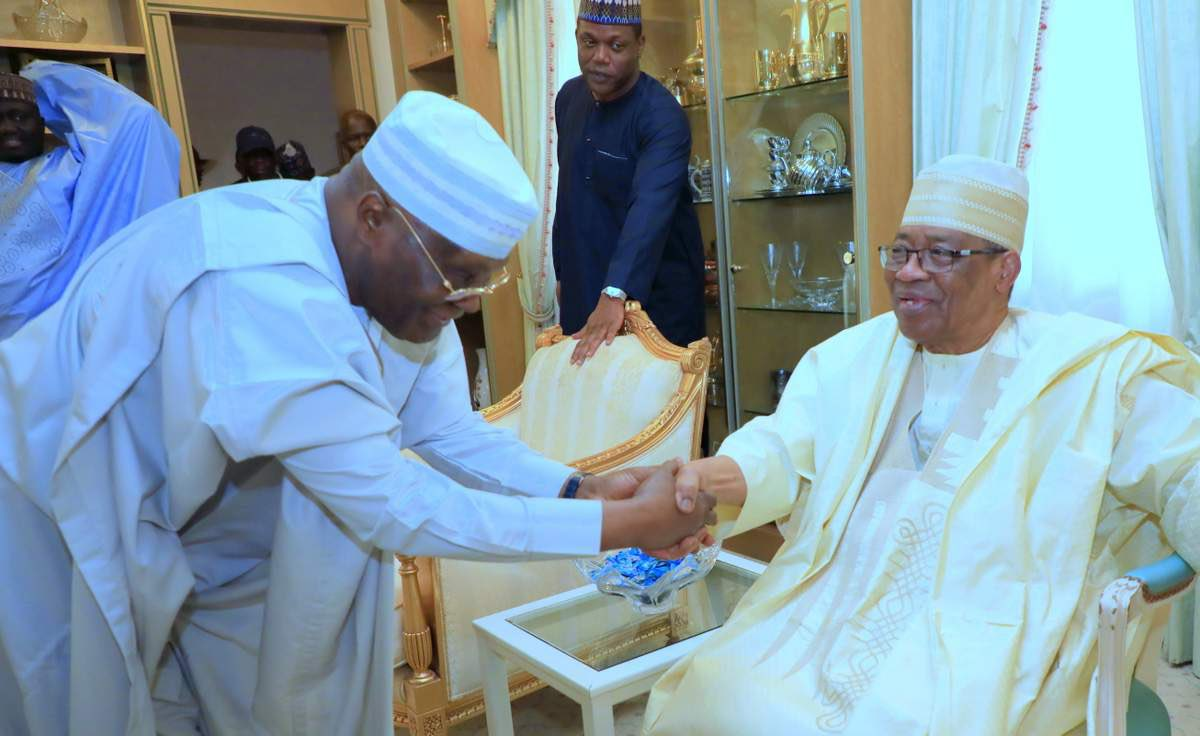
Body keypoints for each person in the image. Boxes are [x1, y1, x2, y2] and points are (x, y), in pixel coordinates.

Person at [0, 91, 715, 735]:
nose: (467, 302)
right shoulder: (266, 286)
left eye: (483, 281)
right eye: (461, 277)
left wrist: (575, 488)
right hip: (58, 512)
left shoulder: (397, 279)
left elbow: (445, 429)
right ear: (375, 217)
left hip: (207, 532)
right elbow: (396, 504)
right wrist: (624, 524)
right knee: (84, 705)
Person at [643, 155, 1200, 735]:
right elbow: (784, 448)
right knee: (716, 684)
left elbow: (1185, 468)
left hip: (980, 632)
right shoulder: (856, 355)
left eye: (941, 254)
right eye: (901, 251)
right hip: (834, 597)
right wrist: (709, 479)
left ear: (1004, 270)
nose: (909, 272)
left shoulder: (1089, 372)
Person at [553, 0, 705, 364]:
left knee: (658, 415)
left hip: (654, 301)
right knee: (589, 410)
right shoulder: (568, 99)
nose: (600, 57)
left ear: (640, 44)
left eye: (616, 46)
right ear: (576, 38)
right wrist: (564, 273)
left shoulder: (661, 117)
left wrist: (615, 293)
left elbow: (649, 209)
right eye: (589, 42)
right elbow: (568, 195)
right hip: (589, 287)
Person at [0, 61, 178, 339]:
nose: (8, 127)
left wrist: (45, 78)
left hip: (52, 335)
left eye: (20, 116)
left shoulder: (69, 168)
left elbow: (138, 119)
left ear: (42, 119)